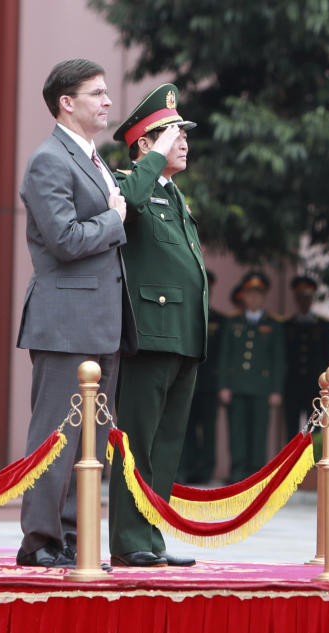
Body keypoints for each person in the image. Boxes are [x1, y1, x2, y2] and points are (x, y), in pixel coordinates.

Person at [15, 59, 134, 569]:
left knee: (88, 442)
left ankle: (71, 538)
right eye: (97, 93)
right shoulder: (50, 159)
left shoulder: (93, 158)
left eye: (107, 93)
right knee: (55, 438)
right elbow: (63, 240)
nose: (108, 101)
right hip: (65, 323)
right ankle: (40, 540)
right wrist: (113, 217)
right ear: (67, 102)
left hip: (99, 322)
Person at [106, 84, 206, 567]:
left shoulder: (171, 192)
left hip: (183, 334)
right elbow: (129, 204)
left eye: (184, 133)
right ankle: (129, 541)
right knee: (138, 440)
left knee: (166, 445)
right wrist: (151, 160)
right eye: (171, 134)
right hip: (151, 333)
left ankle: (152, 537)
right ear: (144, 145)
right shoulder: (131, 182)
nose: (183, 141)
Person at [218, 271, 285, 481]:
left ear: (263, 297)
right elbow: (224, 356)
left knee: (258, 432)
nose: (253, 298)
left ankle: (255, 474)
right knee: (236, 431)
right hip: (237, 385)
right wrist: (224, 385)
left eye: (258, 294)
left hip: (262, 388)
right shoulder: (233, 322)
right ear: (244, 296)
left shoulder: (273, 325)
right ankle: (237, 472)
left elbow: (278, 360)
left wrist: (276, 390)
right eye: (249, 294)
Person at [178, 270, 225, 485]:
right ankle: (185, 469)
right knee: (184, 428)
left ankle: (206, 470)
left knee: (208, 430)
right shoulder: (184, 315)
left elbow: (225, 356)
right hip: (186, 381)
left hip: (209, 384)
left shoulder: (220, 320)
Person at [282, 275, 329, 442]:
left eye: (307, 298)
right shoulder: (287, 325)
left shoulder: (323, 325)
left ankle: (313, 463)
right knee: (291, 427)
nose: (304, 302)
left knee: (316, 427)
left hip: (315, 384)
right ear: (296, 300)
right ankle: (292, 463)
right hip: (292, 383)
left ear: (312, 299)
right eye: (300, 298)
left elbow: (327, 355)